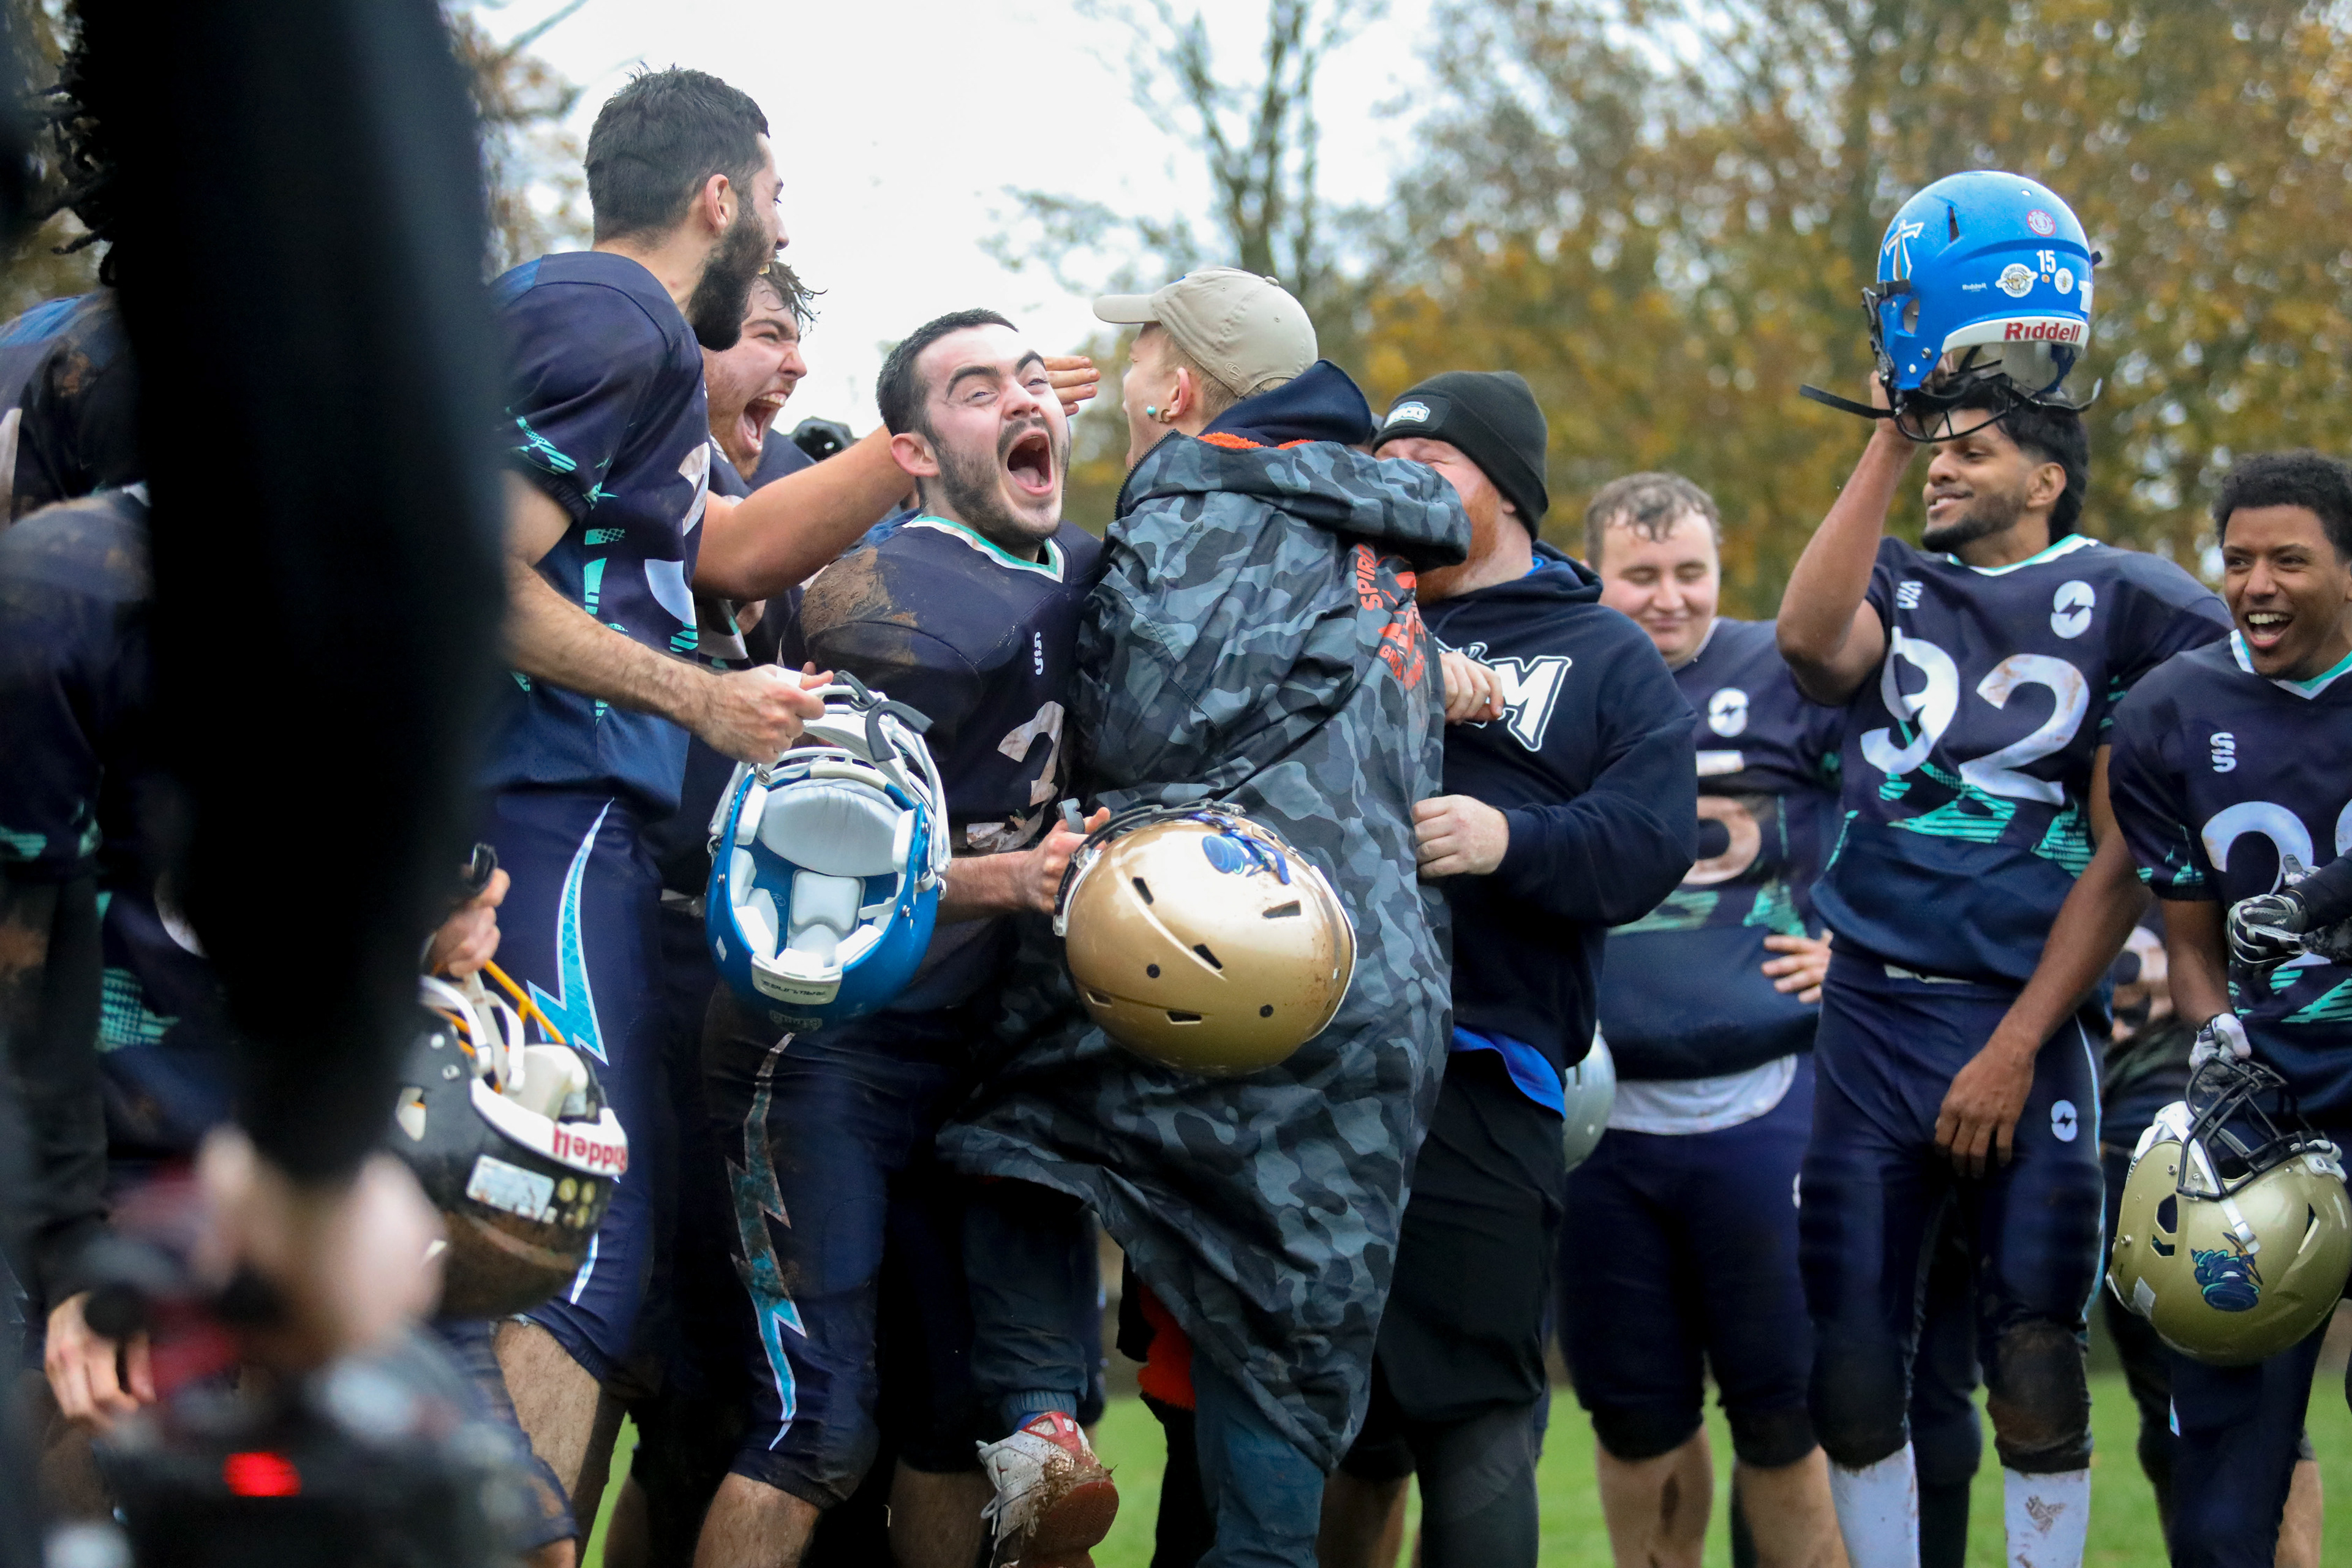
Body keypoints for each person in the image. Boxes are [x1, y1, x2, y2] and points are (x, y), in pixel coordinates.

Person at [935, 268, 1469, 1568]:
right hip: (1379, 993)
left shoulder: (1186, 516)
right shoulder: (1376, 540)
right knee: (1285, 1332)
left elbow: (1136, 732)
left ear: (1179, 389)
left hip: (1224, 953)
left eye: (1141, 355)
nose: (1119, 381)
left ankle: (1038, 1427)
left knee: (1001, 1128)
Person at [483, 66, 939, 1534]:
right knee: (572, 1235)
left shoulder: (623, 339)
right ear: (720, 198)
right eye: (777, 191)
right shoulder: (610, 316)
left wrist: (901, 455)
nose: (782, 218)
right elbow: (472, 576)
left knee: (545, 1242)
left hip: (570, 816)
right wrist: (704, 701)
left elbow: (723, 552)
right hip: (539, 802)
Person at [1774, 371, 2231, 1568]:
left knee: (2036, 1348)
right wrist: (1885, 433)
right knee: (1856, 1361)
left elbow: (2131, 842)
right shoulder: (1899, 576)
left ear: (2047, 476)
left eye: (1968, 449)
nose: (1941, 465)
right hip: (1872, 1008)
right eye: (1935, 448)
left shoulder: (2131, 594)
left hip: (2024, 1017)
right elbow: (1812, 644)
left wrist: (2018, 1041)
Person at [692, 308, 1104, 1568]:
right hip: (821, 1045)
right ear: (914, 452)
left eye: (1033, 377)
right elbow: (817, 859)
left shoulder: (1086, 568)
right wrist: (1011, 879)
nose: (1021, 396)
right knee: (818, 1426)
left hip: (975, 1062)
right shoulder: (884, 598)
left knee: (945, 1430)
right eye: (976, 388)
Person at [1316, 380, 1696, 1568]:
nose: (1401, 473)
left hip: (1484, 1067)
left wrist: (1509, 839)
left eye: (1432, 453)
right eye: (1387, 454)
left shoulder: (1605, 654)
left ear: (1510, 486)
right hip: (1305, 1069)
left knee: (1473, 1407)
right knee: (1319, 1419)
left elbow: (1649, 839)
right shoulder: (1331, 620)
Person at [1542, 470, 1842, 1568]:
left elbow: (1898, 802)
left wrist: (1851, 943)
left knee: (1784, 1407)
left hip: (1767, 1097)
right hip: (1600, 1108)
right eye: (1641, 576)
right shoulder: (1555, 678)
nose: (1668, 599)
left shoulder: (1788, 669)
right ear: (1595, 577)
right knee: (1635, 1413)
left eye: (1690, 574)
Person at [2106, 450, 2352, 1568]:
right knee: (2221, 1491)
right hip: (2272, 1104)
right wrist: (2218, 1049)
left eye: (2289, 559)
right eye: (2238, 559)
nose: (2256, 583)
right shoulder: (2170, 712)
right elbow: (2192, 941)